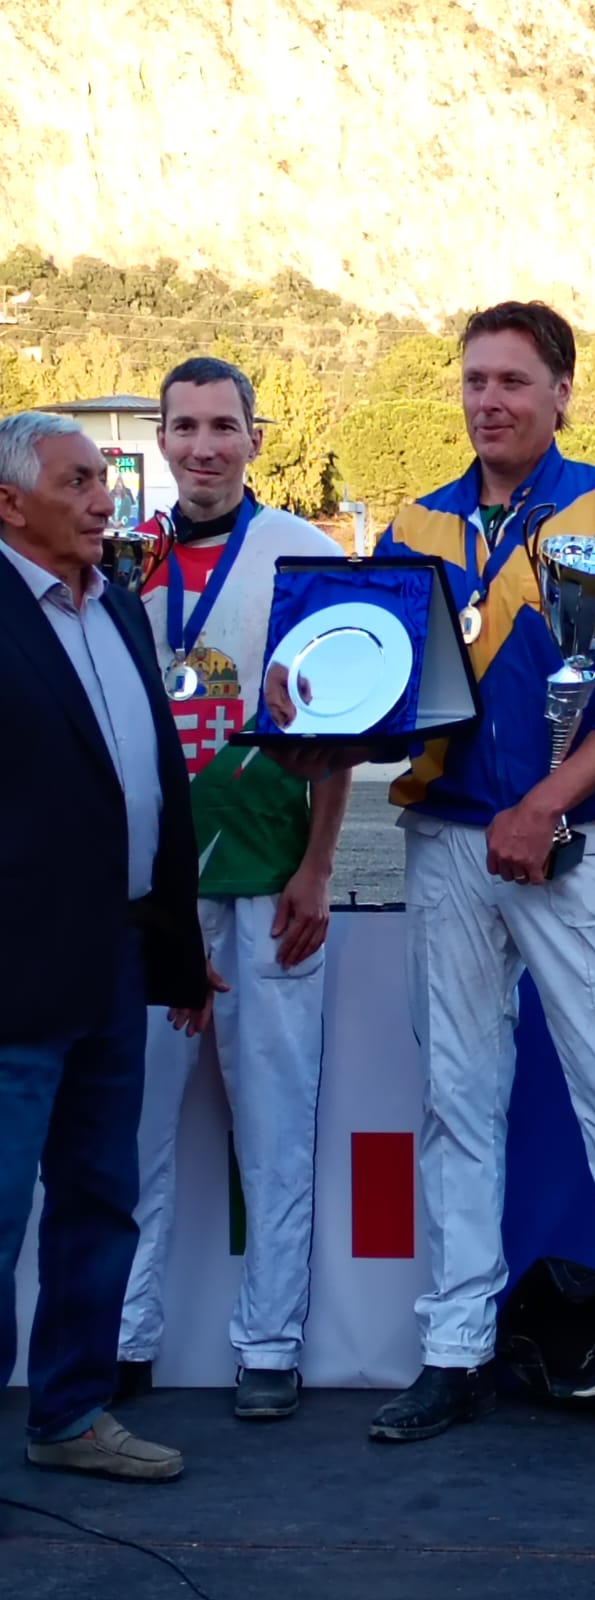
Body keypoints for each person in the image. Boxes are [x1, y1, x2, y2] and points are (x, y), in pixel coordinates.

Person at [366, 300, 595, 1451]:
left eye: (513, 380)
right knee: (456, 1102)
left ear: (562, 392)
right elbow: (383, 684)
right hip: (449, 841)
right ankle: (455, 1349)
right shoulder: (417, 522)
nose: (489, 400)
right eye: (474, 380)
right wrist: (311, 706)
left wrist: (544, 801)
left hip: (577, 844)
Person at [115, 358, 351, 1420]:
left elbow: (339, 728)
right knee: (136, 1132)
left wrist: (318, 866)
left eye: (223, 426)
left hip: (269, 878)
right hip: (151, 893)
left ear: (256, 436)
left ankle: (269, 1344)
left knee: (274, 1125)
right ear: (161, 438)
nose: (203, 446)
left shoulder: (304, 552)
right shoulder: (123, 555)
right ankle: (125, 1337)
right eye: (185, 426)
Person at [0, 411, 207, 1480]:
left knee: (98, 1200)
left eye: (102, 480)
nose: (103, 499)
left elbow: (152, 782)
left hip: (117, 961)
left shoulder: (118, 604)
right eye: (77, 482)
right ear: (9, 504)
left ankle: (70, 1415)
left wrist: (174, 948)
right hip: (14, 974)